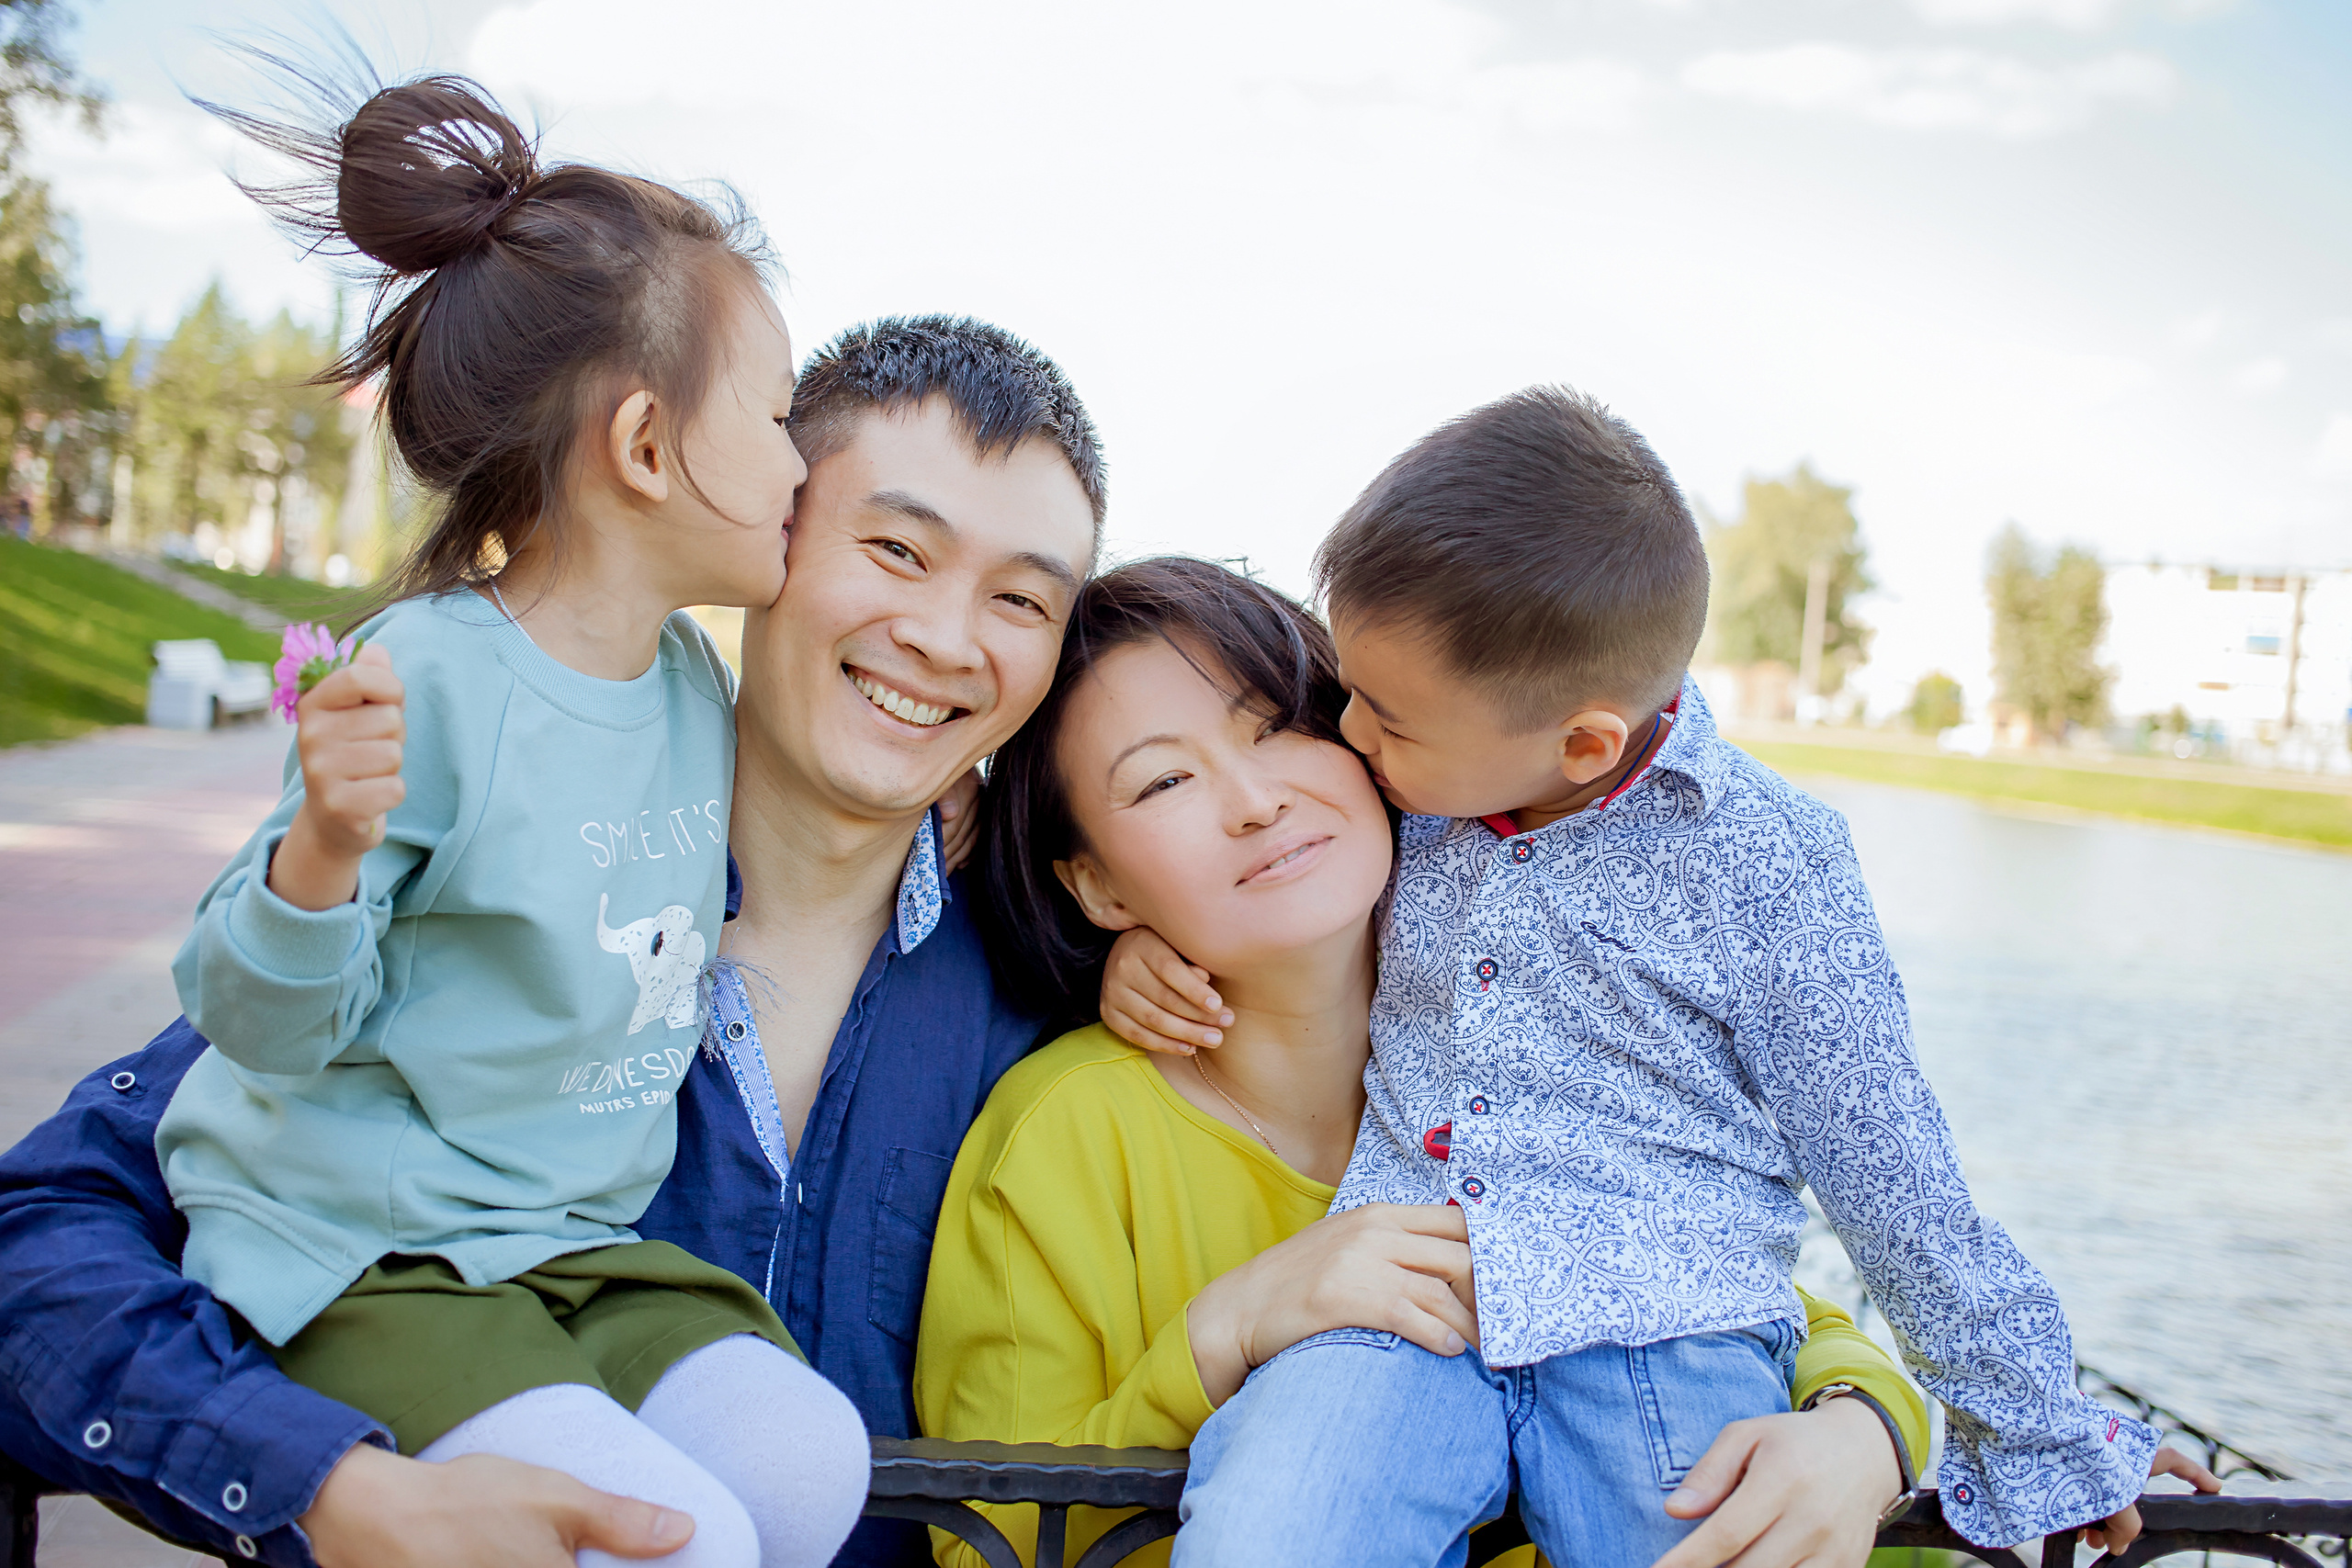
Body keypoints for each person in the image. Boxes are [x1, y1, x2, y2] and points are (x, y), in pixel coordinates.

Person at [0, 313, 1102, 1568]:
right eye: (898, 547)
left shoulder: (1064, 985)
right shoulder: (478, 875)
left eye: (1021, 597)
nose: (949, 638)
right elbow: (40, 1242)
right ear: (774, 531)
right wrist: (334, 1484)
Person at [1112, 389, 2215, 1566]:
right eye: (1353, 695)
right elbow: (1267, 888)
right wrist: (1135, 949)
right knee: (1268, 1534)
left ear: (1581, 743)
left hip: (1667, 1337)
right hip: (1404, 1306)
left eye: (1386, 719)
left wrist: (2042, 1422)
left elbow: (1889, 1172)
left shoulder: (1766, 864)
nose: (1349, 736)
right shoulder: (1425, 772)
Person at [158, 72, 865, 1568]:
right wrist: (320, 858)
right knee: (673, 1539)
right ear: (649, 451)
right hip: (376, 1252)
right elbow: (255, 1021)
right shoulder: (432, 678)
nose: (806, 465)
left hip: (578, 1248)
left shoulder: (684, 678)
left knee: (809, 1468)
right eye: (782, 417)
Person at [917, 557, 1931, 1568]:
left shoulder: (1536, 1033)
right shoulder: (1060, 1136)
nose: (1255, 800)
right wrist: (1227, 1331)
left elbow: (1703, 1277)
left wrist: (1865, 1424)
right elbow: (982, 1542)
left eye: (1279, 726)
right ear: (1096, 885)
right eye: (1165, 780)